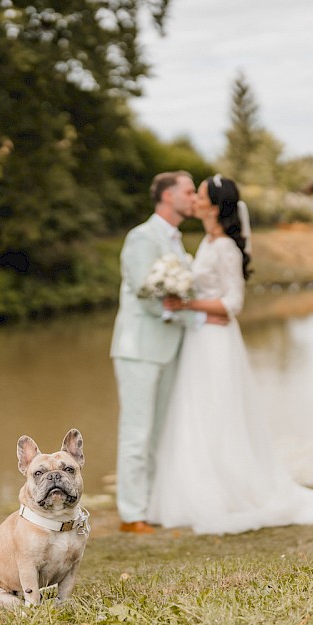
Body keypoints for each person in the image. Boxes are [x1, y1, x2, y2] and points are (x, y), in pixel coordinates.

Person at [146, 174, 313, 535]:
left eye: (200, 195)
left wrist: (186, 302)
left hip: (218, 342)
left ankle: (229, 493)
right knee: (198, 412)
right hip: (200, 338)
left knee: (220, 413)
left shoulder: (226, 249)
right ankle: (199, 491)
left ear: (215, 206)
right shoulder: (207, 241)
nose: (195, 201)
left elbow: (233, 303)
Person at [110, 170, 203, 534]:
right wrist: (185, 314)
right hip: (139, 348)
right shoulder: (142, 237)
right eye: (189, 191)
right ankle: (131, 515)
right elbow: (143, 290)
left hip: (170, 347)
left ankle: (152, 507)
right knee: (137, 434)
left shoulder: (176, 240)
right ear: (167, 196)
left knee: (159, 434)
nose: (194, 197)